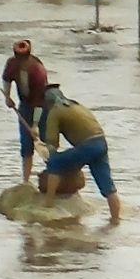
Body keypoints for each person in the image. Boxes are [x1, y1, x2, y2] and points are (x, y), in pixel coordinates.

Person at [32, 90, 122, 226]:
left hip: (87, 145)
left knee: (55, 163)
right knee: (108, 187)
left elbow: (52, 143)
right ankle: (115, 219)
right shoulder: (77, 106)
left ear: (47, 103)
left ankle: (49, 202)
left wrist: (43, 149)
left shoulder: (55, 111)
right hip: (101, 143)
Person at [0, 38, 53, 174]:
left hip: (43, 106)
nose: (22, 63)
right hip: (24, 105)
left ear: (29, 56)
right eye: (19, 59)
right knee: (26, 144)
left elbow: (39, 101)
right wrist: (7, 96)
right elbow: (6, 79)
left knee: (46, 142)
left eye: (24, 59)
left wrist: (35, 125)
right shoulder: (12, 63)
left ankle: (53, 172)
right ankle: (26, 179)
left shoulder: (38, 72)